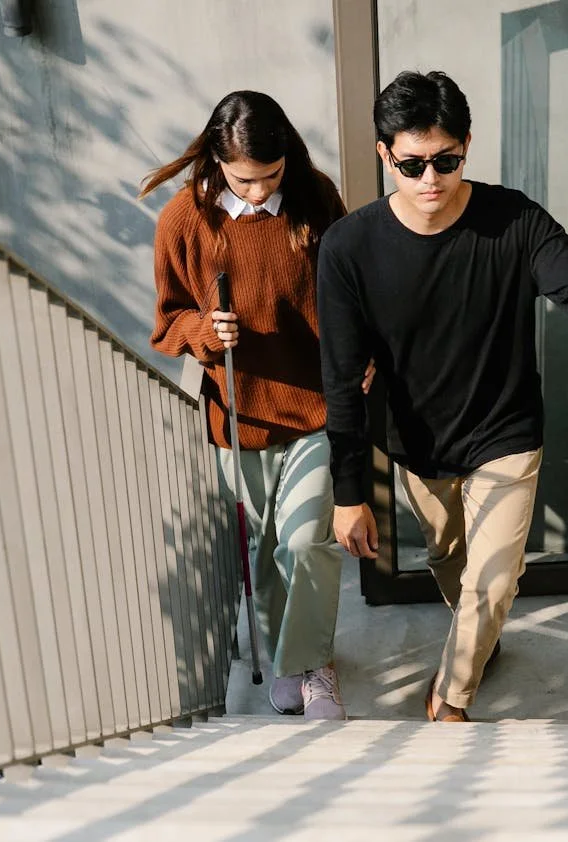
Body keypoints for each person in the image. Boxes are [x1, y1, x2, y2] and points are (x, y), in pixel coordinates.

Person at [317, 70, 568, 723]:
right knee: (453, 561)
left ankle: (452, 700)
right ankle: (480, 636)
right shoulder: (349, 249)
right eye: (411, 165)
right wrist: (349, 494)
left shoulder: (513, 221)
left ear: (467, 145)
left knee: (495, 576)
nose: (430, 180)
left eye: (446, 160)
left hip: (505, 432)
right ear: (385, 153)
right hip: (417, 444)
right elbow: (340, 379)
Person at [144, 90, 367, 720]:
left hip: (316, 411)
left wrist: (363, 363)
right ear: (217, 161)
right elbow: (166, 323)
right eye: (247, 179)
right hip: (238, 417)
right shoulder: (184, 221)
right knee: (266, 551)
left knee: (304, 542)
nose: (263, 188)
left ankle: (314, 668)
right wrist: (202, 334)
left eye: (272, 175)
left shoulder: (315, 196)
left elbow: (350, 295)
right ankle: (288, 657)